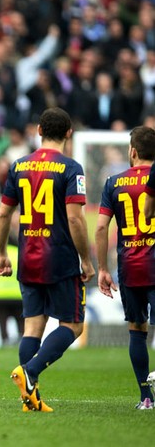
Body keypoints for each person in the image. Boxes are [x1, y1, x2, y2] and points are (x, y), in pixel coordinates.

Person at [0, 107, 95, 412]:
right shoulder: (71, 168)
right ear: (69, 133)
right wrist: (87, 260)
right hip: (60, 257)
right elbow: (76, 220)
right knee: (73, 325)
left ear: (38, 131)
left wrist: (1, 252)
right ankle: (30, 372)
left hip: (28, 255)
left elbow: (3, 213)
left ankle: (30, 398)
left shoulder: (19, 165)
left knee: (33, 327)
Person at [95, 125, 155, 410]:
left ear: (132, 152)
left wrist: (103, 268)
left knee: (137, 329)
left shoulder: (113, 183)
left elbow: (100, 228)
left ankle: (146, 397)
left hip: (131, 266)